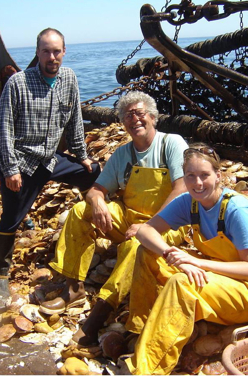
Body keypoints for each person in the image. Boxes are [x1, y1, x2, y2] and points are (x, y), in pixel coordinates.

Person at [39, 90, 189, 345]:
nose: (135, 119)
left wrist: (149, 226)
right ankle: (73, 286)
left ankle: (100, 312)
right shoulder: (122, 154)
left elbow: (182, 188)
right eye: (128, 116)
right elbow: (97, 190)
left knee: (137, 243)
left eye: (140, 113)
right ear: (123, 124)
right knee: (79, 211)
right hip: (129, 218)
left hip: (168, 224)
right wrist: (97, 202)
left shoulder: (171, 144)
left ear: (153, 117)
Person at [124, 143, 248, 375]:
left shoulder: (236, 210)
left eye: (204, 175)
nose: (198, 183)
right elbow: (145, 231)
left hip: (244, 292)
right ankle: (141, 327)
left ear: (218, 175)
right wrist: (171, 254)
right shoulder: (189, 202)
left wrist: (197, 263)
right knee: (148, 252)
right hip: (219, 278)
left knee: (182, 283)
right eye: (191, 176)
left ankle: (146, 368)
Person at [0, 28, 100, 309]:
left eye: (56, 51)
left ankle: (93, 222)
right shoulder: (18, 83)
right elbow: (3, 127)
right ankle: (0, 277)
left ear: (64, 51)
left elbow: (75, 121)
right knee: (11, 220)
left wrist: (82, 155)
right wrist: (9, 169)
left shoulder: (69, 78)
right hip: (23, 161)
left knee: (92, 173)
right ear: (37, 53)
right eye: (46, 51)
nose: (52, 57)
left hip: (52, 159)